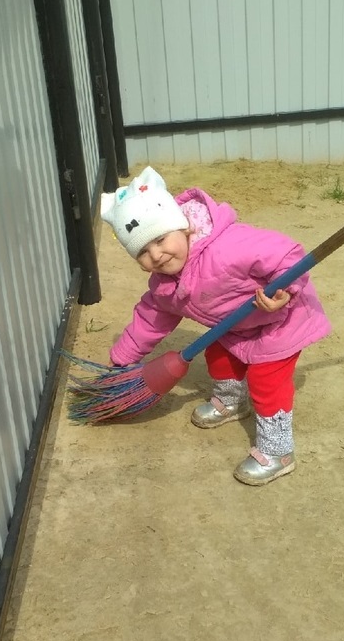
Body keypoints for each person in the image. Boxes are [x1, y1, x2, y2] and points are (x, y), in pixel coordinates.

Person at [101, 166, 331, 486]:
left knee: (266, 381)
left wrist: (284, 292)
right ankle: (231, 402)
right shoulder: (165, 285)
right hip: (234, 327)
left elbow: (287, 254)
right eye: (142, 251)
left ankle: (279, 452)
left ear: (181, 226)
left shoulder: (229, 247)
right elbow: (149, 320)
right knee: (219, 356)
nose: (157, 255)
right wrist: (122, 359)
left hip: (280, 321)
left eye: (160, 239)